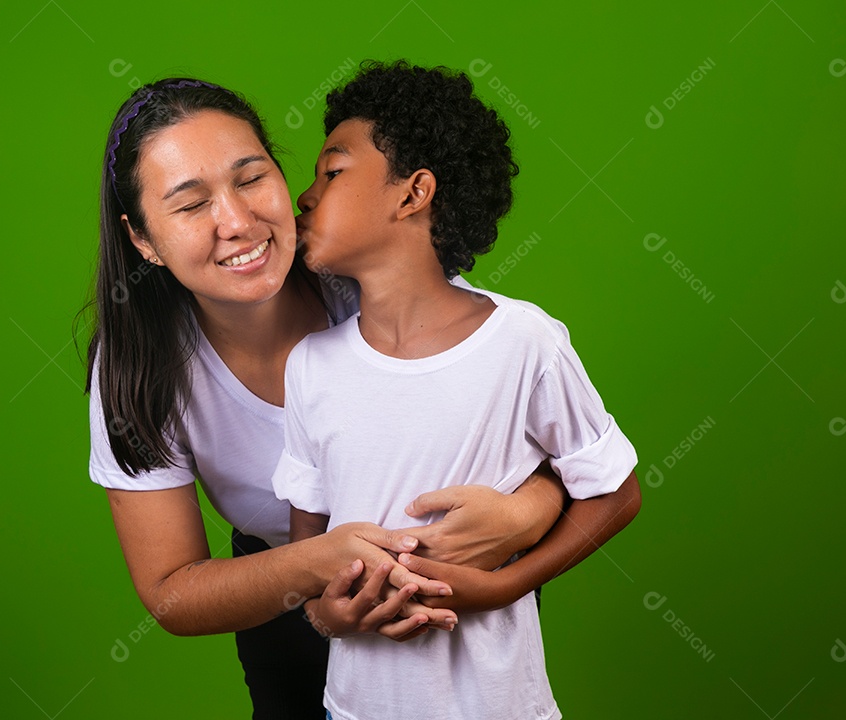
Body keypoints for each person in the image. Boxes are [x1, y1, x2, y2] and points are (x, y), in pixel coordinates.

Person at [85, 77, 637, 718]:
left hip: (459, 589)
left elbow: (529, 433)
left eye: (251, 178)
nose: (236, 222)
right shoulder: (138, 368)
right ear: (143, 239)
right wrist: (321, 575)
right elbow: (172, 593)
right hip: (280, 599)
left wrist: (524, 516)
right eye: (189, 205)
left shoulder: (376, 280)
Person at [273, 61, 640, 719]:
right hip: (352, 709)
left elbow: (616, 492)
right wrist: (327, 613)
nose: (304, 196)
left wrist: (502, 587)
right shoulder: (310, 367)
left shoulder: (525, 342)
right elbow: (307, 562)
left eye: (332, 172)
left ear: (413, 194)